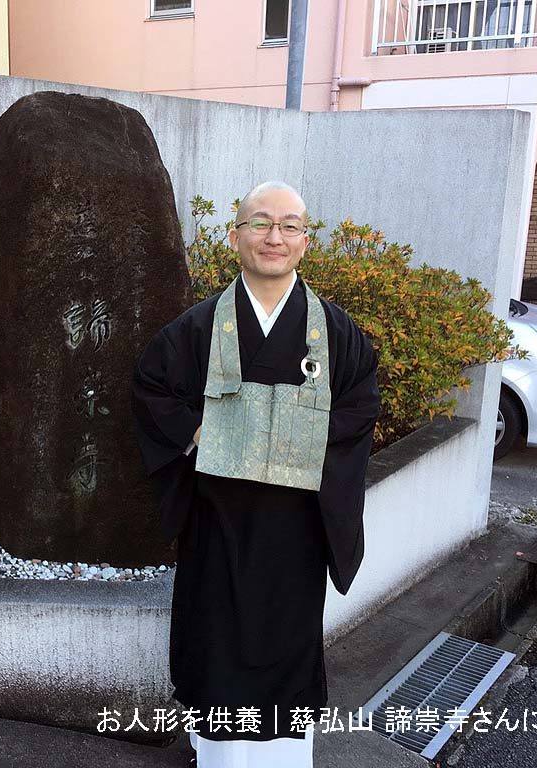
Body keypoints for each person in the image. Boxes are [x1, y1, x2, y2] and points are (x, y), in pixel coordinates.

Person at [131, 181, 380, 767]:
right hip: (218, 521)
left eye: (289, 225)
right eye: (261, 223)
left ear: (305, 241)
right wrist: (200, 433)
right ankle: (214, 757)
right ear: (235, 235)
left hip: (295, 527)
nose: (275, 237)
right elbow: (151, 390)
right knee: (215, 641)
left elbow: (360, 403)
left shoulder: (335, 333)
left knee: (287, 647)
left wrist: (298, 435)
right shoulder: (195, 329)